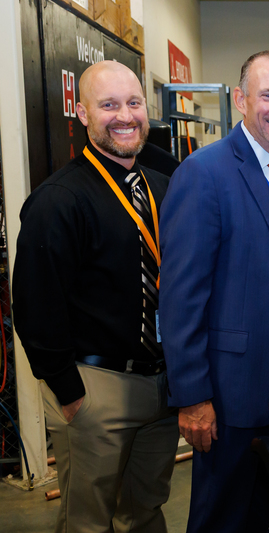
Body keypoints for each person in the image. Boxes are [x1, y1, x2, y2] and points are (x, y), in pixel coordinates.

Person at [158, 50, 269, 532]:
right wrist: (192, 397)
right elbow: (181, 298)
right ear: (240, 99)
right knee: (220, 520)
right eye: (268, 94)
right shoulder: (203, 174)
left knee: (258, 513)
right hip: (229, 396)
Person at [13, 61, 177, 533]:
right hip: (96, 388)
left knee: (145, 512)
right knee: (88, 523)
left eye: (133, 103)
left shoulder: (163, 188)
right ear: (83, 114)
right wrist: (68, 392)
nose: (124, 116)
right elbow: (35, 303)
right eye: (108, 105)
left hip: (163, 385)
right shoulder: (58, 200)